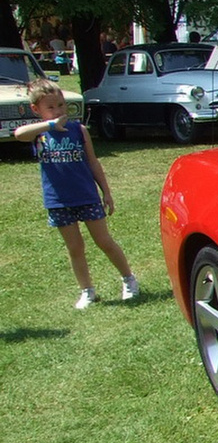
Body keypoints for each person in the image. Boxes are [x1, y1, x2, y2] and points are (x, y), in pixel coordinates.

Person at [13, 80, 138, 309]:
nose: (59, 111)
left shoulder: (78, 130)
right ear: (36, 110)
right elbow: (19, 133)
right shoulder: (40, 134)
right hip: (59, 200)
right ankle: (87, 290)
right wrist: (50, 125)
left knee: (104, 241)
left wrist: (106, 192)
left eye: (61, 105)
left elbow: (93, 162)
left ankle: (129, 279)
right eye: (51, 107)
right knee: (75, 248)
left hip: (86, 196)